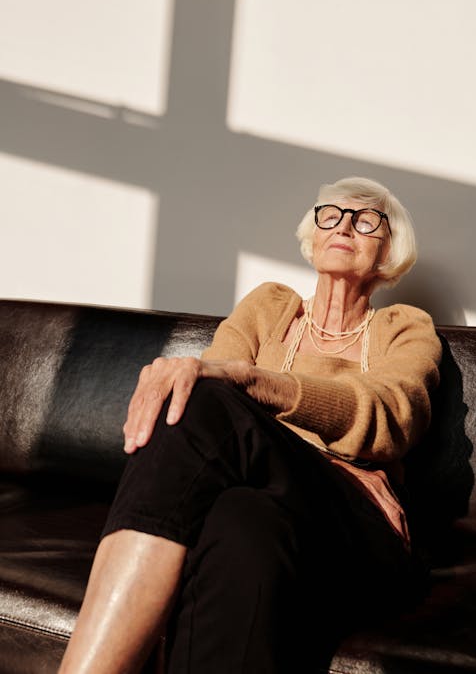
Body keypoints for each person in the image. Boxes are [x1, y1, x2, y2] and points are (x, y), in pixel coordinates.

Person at [59, 177, 442, 674]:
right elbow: (210, 404)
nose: (345, 225)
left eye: (367, 220)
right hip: (271, 509)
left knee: (206, 396)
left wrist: (252, 380)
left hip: (360, 530)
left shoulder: (404, 328)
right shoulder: (269, 308)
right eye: (332, 213)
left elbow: (388, 415)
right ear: (314, 233)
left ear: (389, 250)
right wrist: (230, 383)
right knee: (242, 522)